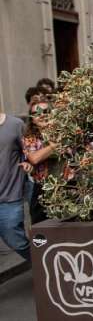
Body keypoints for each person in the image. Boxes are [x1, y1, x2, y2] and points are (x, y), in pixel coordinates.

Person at [0, 111, 30, 261]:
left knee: (16, 241)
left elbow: (30, 150)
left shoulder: (15, 125)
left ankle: (45, 269)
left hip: (9, 195)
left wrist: (27, 162)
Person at [20, 100, 56, 224]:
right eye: (36, 113)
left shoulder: (66, 131)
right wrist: (54, 146)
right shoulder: (30, 137)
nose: (41, 115)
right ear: (32, 118)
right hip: (42, 188)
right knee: (41, 229)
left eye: (46, 111)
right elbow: (34, 158)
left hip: (69, 186)